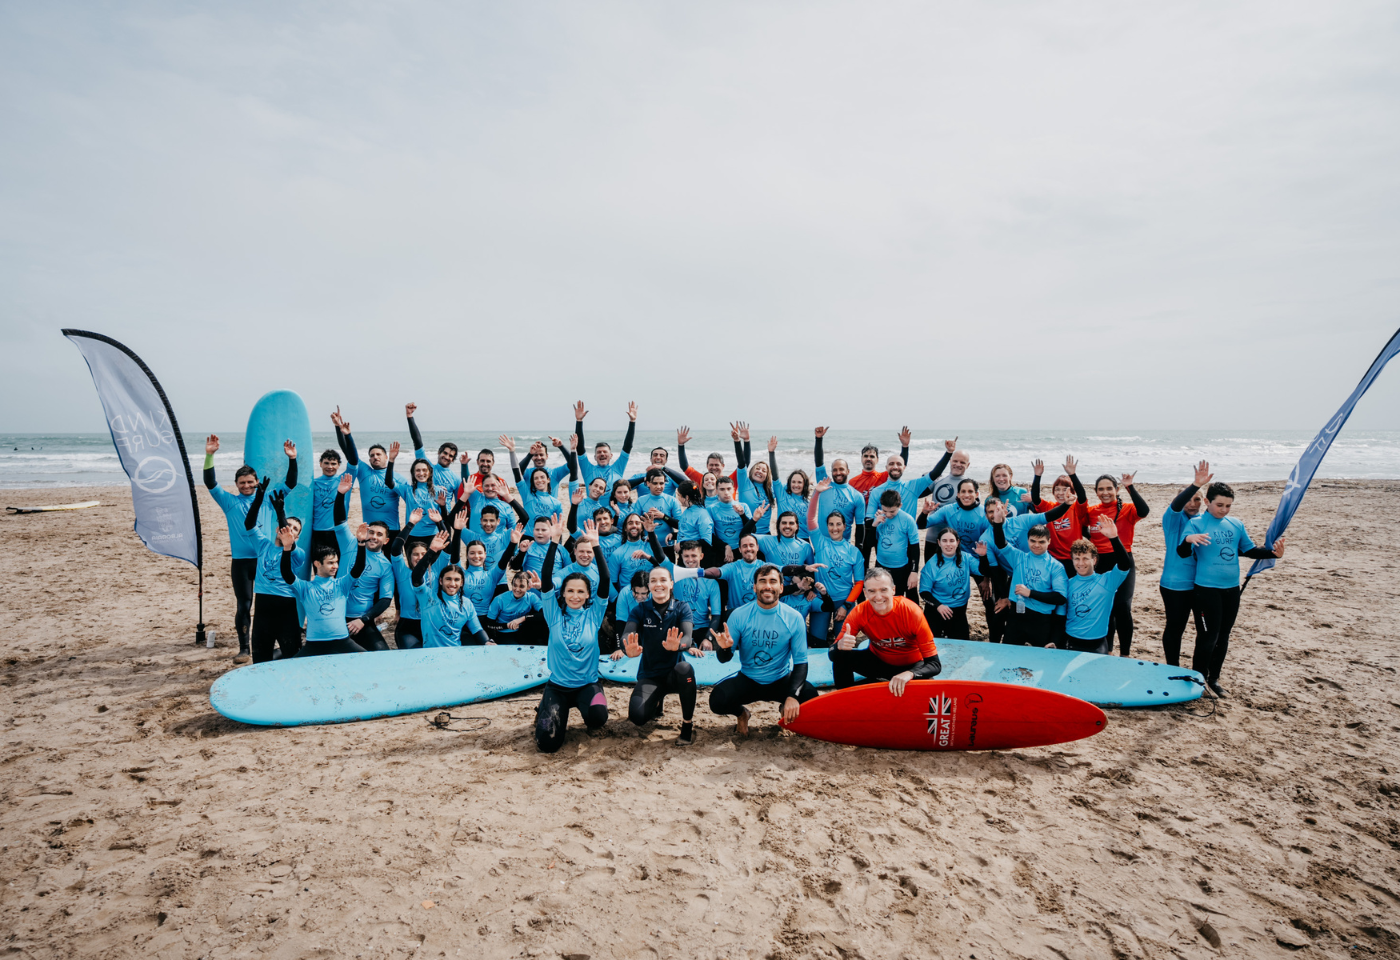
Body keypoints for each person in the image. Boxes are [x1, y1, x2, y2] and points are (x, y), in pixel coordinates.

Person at [1177, 482, 1286, 696]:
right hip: (1206, 590)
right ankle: (1199, 681)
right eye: (1220, 505)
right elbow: (1181, 552)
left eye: (1228, 506)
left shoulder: (1235, 524)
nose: (1224, 510)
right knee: (1208, 637)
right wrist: (1189, 540)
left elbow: (1250, 550)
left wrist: (1274, 554)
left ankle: (1214, 679)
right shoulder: (1196, 524)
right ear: (1207, 502)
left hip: (1231, 590)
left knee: (1223, 636)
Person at [203, 434, 297, 661]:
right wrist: (209, 456)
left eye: (250, 482)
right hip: (242, 560)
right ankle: (244, 647)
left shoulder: (267, 497)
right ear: (236, 485)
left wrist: (292, 459)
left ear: (256, 483)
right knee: (244, 604)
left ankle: (273, 641)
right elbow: (210, 482)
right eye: (242, 483)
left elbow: (291, 483)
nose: (246, 486)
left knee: (271, 601)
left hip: (266, 559)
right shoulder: (229, 502)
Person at [527, 521, 613, 752]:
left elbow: (604, 580)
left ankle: (591, 699)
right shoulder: (553, 614)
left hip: (587, 684)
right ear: (562, 593)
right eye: (570, 591)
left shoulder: (594, 615)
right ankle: (547, 703)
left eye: (580, 592)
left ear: (587, 595)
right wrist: (554, 541)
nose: (575, 596)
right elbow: (546, 579)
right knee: (547, 743)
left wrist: (596, 546)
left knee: (598, 718)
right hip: (558, 687)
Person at [708, 565, 820, 736]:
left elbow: (801, 663)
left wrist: (792, 696)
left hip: (781, 679)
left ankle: (785, 706)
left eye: (773, 581)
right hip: (748, 679)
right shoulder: (739, 615)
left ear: (781, 588)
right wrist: (724, 648)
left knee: (811, 696)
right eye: (762, 581)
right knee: (717, 701)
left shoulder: (793, 617)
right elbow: (724, 659)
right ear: (755, 587)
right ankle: (742, 714)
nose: (768, 586)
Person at [828, 566, 942, 691]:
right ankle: (845, 700)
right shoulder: (859, 613)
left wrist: (910, 674)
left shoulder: (911, 612)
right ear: (865, 593)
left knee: (926, 682)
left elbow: (934, 664)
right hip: (878, 662)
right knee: (841, 656)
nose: (878, 597)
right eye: (872, 591)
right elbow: (833, 655)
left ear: (893, 590)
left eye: (883, 590)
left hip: (911, 665)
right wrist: (839, 646)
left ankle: (889, 681)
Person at [621, 566, 697, 744]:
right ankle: (657, 701)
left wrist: (679, 645)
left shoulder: (681, 607)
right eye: (653, 581)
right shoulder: (640, 610)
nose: (658, 584)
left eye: (663, 580)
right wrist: (627, 647)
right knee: (637, 717)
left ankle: (687, 726)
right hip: (650, 675)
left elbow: (688, 638)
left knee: (685, 668)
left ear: (671, 584)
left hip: (674, 675)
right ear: (649, 586)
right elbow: (627, 634)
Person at [277, 516, 368, 657]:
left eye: (336, 562)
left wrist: (361, 543)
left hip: (342, 642)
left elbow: (358, 568)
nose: (335, 566)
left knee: (367, 660)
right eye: (330, 563)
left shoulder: (341, 584)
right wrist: (287, 548)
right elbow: (287, 574)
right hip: (314, 644)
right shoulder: (306, 588)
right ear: (317, 564)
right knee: (293, 669)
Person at [1083, 471, 1150, 657]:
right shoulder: (1092, 512)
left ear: (1116, 489)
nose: (1105, 492)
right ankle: (1109, 650)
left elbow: (1144, 511)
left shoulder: (1127, 509)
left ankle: (1125, 653)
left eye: (1109, 488)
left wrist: (1130, 486)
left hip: (1122, 560)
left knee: (1122, 606)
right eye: (1101, 489)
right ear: (1096, 492)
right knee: (1106, 607)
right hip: (1100, 562)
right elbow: (1083, 528)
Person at [242, 480, 305, 663]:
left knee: (292, 656)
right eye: (287, 526)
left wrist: (280, 512)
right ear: (277, 529)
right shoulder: (263, 545)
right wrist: (259, 498)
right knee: (260, 658)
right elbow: (249, 524)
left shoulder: (297, 554)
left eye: (295, 529)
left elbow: (289, 543)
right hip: (263, 606)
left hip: (286, 607)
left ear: (297, 536)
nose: (290, 530)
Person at [1159, 461, 1212, 667]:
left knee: (1204, 630)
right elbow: (1175, 506)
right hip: (1175, 585)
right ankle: (1172, 667)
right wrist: (1196, 485)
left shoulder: (1204, 520)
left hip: (1201, 584)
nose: (1192, 503)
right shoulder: (1173, 520)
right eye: (1188, 499)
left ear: (1203, 501)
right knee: (1175, 627)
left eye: (1197, 499)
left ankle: (1200, 669)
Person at [988, 514, 1068, 648]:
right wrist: (997, 522)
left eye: (1041, 542)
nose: (1036, 545)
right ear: (1028, 540)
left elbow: (1060, 598)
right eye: (1033, 541)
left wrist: (1030, 593)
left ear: (1049, 541)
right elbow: (1001, 543)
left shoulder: (1056, 566)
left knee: (1040, 660)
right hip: (1016, 616)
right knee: (1009, 654)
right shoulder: (1019, 557)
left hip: (1041, 619)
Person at [387, 508, 456, 649]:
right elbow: (395, 549)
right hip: (408, 626)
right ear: (409, 557)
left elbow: (448, 547)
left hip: (432, 623)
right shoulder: (402, 572)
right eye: (415, 554)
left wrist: (439, 522)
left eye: (423, 554)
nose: (419, 558)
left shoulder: (436, 570)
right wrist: (411, 523)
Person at [411, 528, 492, 647]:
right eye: (448, 579)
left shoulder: (467, 604)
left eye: (456, 580)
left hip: (455, 653)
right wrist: (431, 551)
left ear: (462, 582)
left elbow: (476, 629)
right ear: (440, 581)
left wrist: (487, 641)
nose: (452, 584)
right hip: (431, 653)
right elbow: (416, 577)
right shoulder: (427, 596)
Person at [1063, 518, 1133, 654]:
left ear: (1094, 560)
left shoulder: (1107, 581)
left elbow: (1125, 565)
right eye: (1076, 558)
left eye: (1085, 558)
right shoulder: (1067, 584)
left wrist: (1114, 538)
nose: (1080, 563)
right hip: (1070, 640)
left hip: (1097, 643)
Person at [333, 410, 402, 542]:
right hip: (370, 530)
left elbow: (411, 496)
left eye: (378, 454)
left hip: (391, 530)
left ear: (387, 457)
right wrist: (341, 430)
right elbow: (348, 451)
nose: (374, 457)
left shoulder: (398, 478)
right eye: (371, 455)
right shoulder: (364, 471)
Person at [803, 496, 866, 638]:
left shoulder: (853, 552)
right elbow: (811, 519)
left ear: (845, 526)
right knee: (817, 642)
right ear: (827, 526)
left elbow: (859, 583)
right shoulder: (820, 542)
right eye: (831, 524)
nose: (835, 528)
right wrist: (817, 493)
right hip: (821, 599)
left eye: (838, 524)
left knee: (843, 643)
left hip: (844, 600)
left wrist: (846, 606)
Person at [1024, 457, 1090, 573]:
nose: (1060, 493)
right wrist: (1037, 476)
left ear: (1072, 492)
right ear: (1053, 492)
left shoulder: (1076, 509)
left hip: (1073, 557)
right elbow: (1035, 499)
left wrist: (1073, 475)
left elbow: (1082, 496)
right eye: (1057, 489)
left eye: (1065, 489)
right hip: (1053, 558)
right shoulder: (1049, 507)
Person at [918, 528, 985, 640]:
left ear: (957, 542)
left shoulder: (966, 558)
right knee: (933, 644)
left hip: (959, 609)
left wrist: (983, 557)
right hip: (937, 610)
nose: (948, 544)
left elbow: (983, 571)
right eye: (944, 541)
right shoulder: (932, 565)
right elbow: (924, 592)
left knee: (961, 645)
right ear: (939, 543)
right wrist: (938, 605)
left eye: (951, 540)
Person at [812, 426, 865, 546]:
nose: (838, 472)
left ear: (848, 471)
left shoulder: (856, 496)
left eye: (841, 469)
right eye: (834, 470)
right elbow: (819, 462)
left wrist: (858, 549)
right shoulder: (825, 484)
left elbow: (860, 526)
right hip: (822, 543)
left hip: (844, 544)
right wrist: (818, 439)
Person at [404, 402, 460, 506]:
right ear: (439, 452)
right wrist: (410, 417)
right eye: (445, 453)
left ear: (453, 459)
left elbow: (458, 503)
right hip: (426, 514)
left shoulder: (456, 479)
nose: (447, 457)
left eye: (451, 456)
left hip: (444, 517)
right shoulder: (428, 467)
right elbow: (417, 442)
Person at [868, 489, 921, 598]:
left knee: (898, 597)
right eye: (885, 510)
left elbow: (915, 547)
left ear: (900, 505)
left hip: (901, 568)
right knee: (883, 596)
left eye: (892, 511)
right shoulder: (878, 517)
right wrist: (874, 525)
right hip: (881, 565)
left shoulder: (908, 520)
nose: (888, 514)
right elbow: (869, 544)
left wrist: (914, 571)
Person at [573, 400, 637, 487]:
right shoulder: (588, 469)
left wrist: (632, 421)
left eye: (605, 452)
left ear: (611, 455)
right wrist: (579, 421)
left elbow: (627, 447)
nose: (602, 454)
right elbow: (580, 448)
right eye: (599, 452)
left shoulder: (618, 468)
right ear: (595, 457)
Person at [672, 541, 723, 646]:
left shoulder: (711, 582)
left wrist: (708, 638)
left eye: (694, 555)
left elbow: (716, 615)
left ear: (701, 556)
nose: (690, 560)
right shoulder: (675, 576)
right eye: (686, 556)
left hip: (702, 628)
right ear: (681, 556)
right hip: (679, 628)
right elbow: (660, 558)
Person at [849, 428, 914, 504]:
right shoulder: (852, 482)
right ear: (861, 458)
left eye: (872, 456)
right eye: (866, 456)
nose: (868, 458)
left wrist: (905, 446)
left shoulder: (884, 477)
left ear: (877, 459)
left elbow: (899, 466)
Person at [309, 439, 350, 554]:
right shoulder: (313, 483)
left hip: (338, 530)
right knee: (319, 565)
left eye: (333, 464)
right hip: (317, 530)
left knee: (337, 566)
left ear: (339, 465)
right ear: (320, 463)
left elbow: (353, 461)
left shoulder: (345, 480)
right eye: (326, 463)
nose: (330, 467)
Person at [485, 569, 547, 644]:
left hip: (524, 631)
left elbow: (545, 613)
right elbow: (488, 624)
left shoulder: (531, 597)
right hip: (505, 633)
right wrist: (506, 625)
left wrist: (523, 618)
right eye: (515, 585)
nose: (517, 589)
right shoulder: (499, 599)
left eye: (521, 586)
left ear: (528, 587)